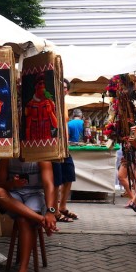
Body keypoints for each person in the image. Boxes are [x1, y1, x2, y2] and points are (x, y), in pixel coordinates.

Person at [0, 158, 57, 272]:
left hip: (34, 196)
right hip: (13, 197)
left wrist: (51, 211)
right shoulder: (7, 156)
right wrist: (12, 184)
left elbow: (48, 184)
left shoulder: (41, 154)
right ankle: (40, 219)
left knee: (23, 220)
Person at [54, 83, 78, 222]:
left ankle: (62, 206)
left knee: (69, 174)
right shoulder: (53, 102)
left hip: (64, 147)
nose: (63, 89)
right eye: (60, 87)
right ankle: (55, 210)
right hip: (54, 145)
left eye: (65, 88)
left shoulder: (64, 104)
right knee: (57, 177)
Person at [24, 76, 58, 140]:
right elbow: (27, 127)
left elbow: (56, 125)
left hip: (48, 139)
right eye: (40, 83)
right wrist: (28, 141)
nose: (42, 85)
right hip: (34, 140)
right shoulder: (30, 105)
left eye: (43, 83)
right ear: (35, 86)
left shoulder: (50, 103)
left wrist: (50, 113)